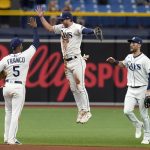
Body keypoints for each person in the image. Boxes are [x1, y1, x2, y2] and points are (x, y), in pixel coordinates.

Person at [36, 9, 95, 124]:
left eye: (63, 19)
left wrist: (93, 31)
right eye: (61, 20)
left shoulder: (76, 27)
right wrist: (41, 17)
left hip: (77, 61)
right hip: (67, 63)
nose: (61, 21)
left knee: (80, 87)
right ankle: (81, 110)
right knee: (73, 88)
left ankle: (88, 111)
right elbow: (50, 28)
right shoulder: (62, 27)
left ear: (69, 19)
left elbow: (85, 30)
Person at [0, 17, 39, 145]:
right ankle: (11, 140)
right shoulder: (25, 55)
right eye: (21, 44)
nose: (22, 44)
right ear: (19, 46)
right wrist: (35, 28)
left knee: (8, 113)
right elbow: (36, 43)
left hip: (7, 86)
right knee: (15, 114)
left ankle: (6, 138)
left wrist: (2, 80)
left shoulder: (5, 59)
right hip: (18, 87)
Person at [106, 36, 150, 144]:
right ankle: (138, 125)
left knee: (144, 114)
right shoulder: (129, 56)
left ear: (139, 45)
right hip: (130, 88)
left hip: (142, 89)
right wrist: (114, 61)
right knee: (127, 111)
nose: (131, 44)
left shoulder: (145, 60)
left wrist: (148, 91)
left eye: (134, 43)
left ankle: (147, 136)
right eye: (131, 43)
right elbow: (122, 64)